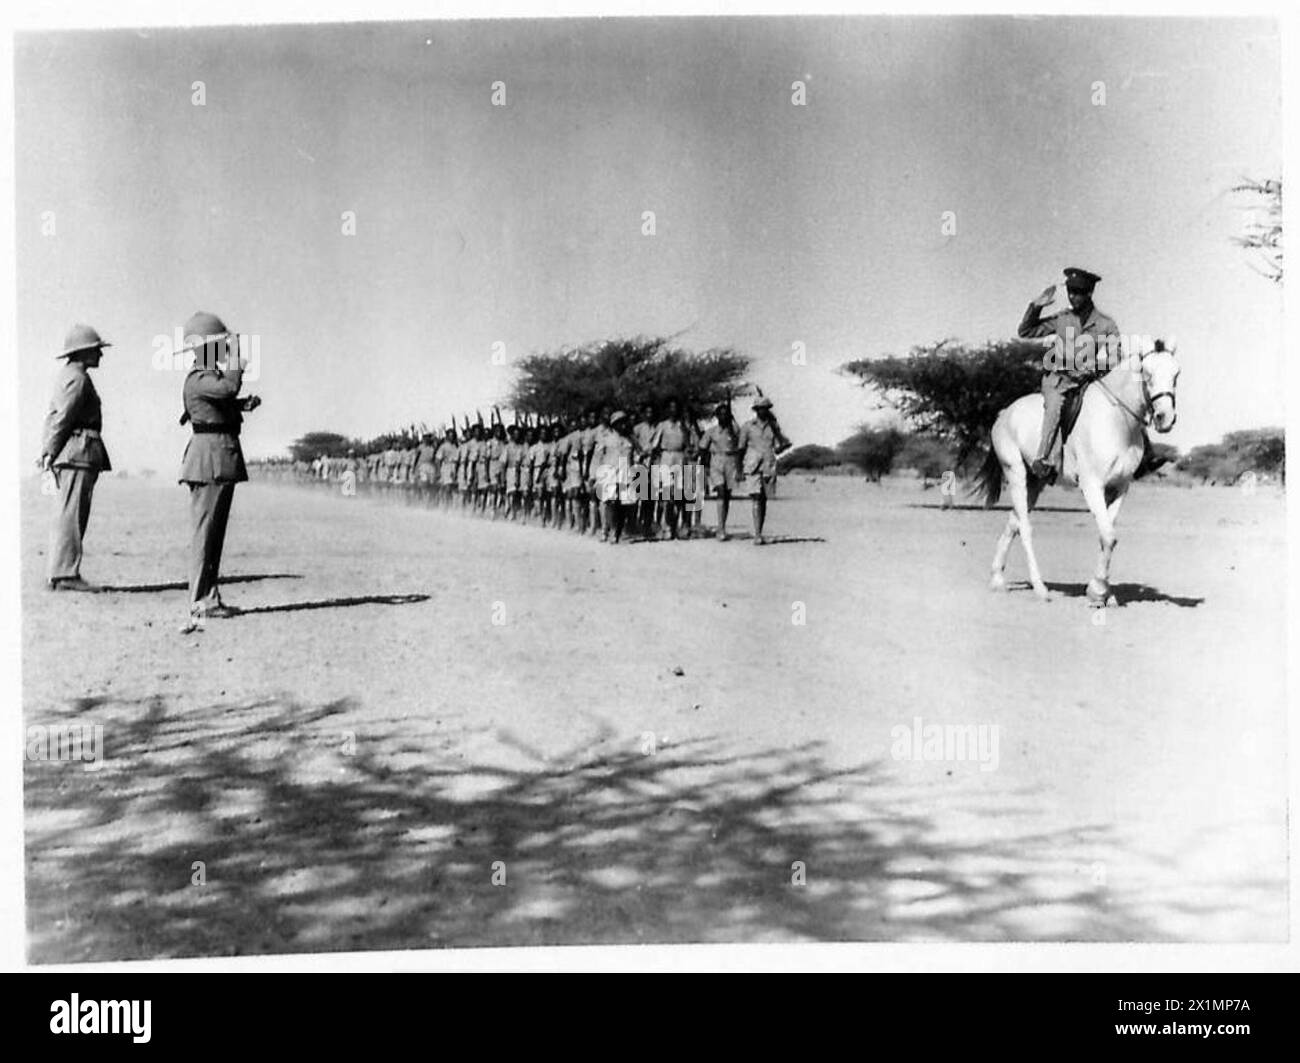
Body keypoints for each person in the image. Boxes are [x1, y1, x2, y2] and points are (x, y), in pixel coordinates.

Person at [177, 311, 261, 630]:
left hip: (215, 459)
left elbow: (222, 401)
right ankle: (200, 601)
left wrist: (241, 406)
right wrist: (239, 360)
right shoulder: (202, 379)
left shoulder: (206, 379)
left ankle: (208, 598)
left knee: (212, 536)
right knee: (205, 536)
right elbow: (226, 390)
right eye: (222, 344)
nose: (227, 349)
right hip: (210, 461)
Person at [1017, 266, 1121, 482]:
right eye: (1070, 292)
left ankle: (1141, 455)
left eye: (1077, 292)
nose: (1072, 297)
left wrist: (1092, 369)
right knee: (1055, 406)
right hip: (1058, 380)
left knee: (1120, 403)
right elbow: (1026, 332)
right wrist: (1035, 307)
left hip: (1086, 382)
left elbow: (1115, 355)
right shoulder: (1062, 318)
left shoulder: (1106, 324)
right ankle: (1043, 460)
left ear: (1089, 293)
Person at [40, 324, 113, 591]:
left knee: (67, 513)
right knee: (71, 515)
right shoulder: (78, 379)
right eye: (96, 350)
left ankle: (60, 573)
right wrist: (49, 450)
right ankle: (65, 574)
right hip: (78, 452)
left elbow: (54, 416)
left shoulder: (68, 375)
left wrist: (48, 450)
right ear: (83, 352)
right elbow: (63, 417)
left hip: (72, 451)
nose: (100, 355)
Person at [736, 394, 791, 545]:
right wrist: (739, 469)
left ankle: (759, 530)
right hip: (752, 464)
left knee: (763, 499)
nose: (762, 411)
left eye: (765, 408)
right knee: (755, 497)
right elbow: (741, 448)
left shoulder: (774, 427)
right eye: (760, 409)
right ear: (755, 410)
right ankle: (757, 534)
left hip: (768, 464)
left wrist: (783, 445)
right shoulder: (747, 426)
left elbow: (779, 447)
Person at [649, 398, 694, 540]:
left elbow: (689, 444)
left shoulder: (683, 425)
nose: (673, 411)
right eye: (671, 408)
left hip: (680, 458)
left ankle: (680, 526)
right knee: (666, 494)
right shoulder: (662, 426)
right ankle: (667, 526)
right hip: (666, 457)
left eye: (676, 408)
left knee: (680, 494)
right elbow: (654, 445)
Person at [696, 402, 741, 541]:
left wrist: (739, 468)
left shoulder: (735, 430)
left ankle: (722, 525)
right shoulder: (711, 431)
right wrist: (704, 466)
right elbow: (703, 448)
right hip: (716, 461)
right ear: (716, 416)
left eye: (726, 414)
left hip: (731, 461)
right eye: (720, 414)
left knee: (727, 494)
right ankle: (720, 529)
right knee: (720, 490)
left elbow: (740, 447)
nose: (723, 417)